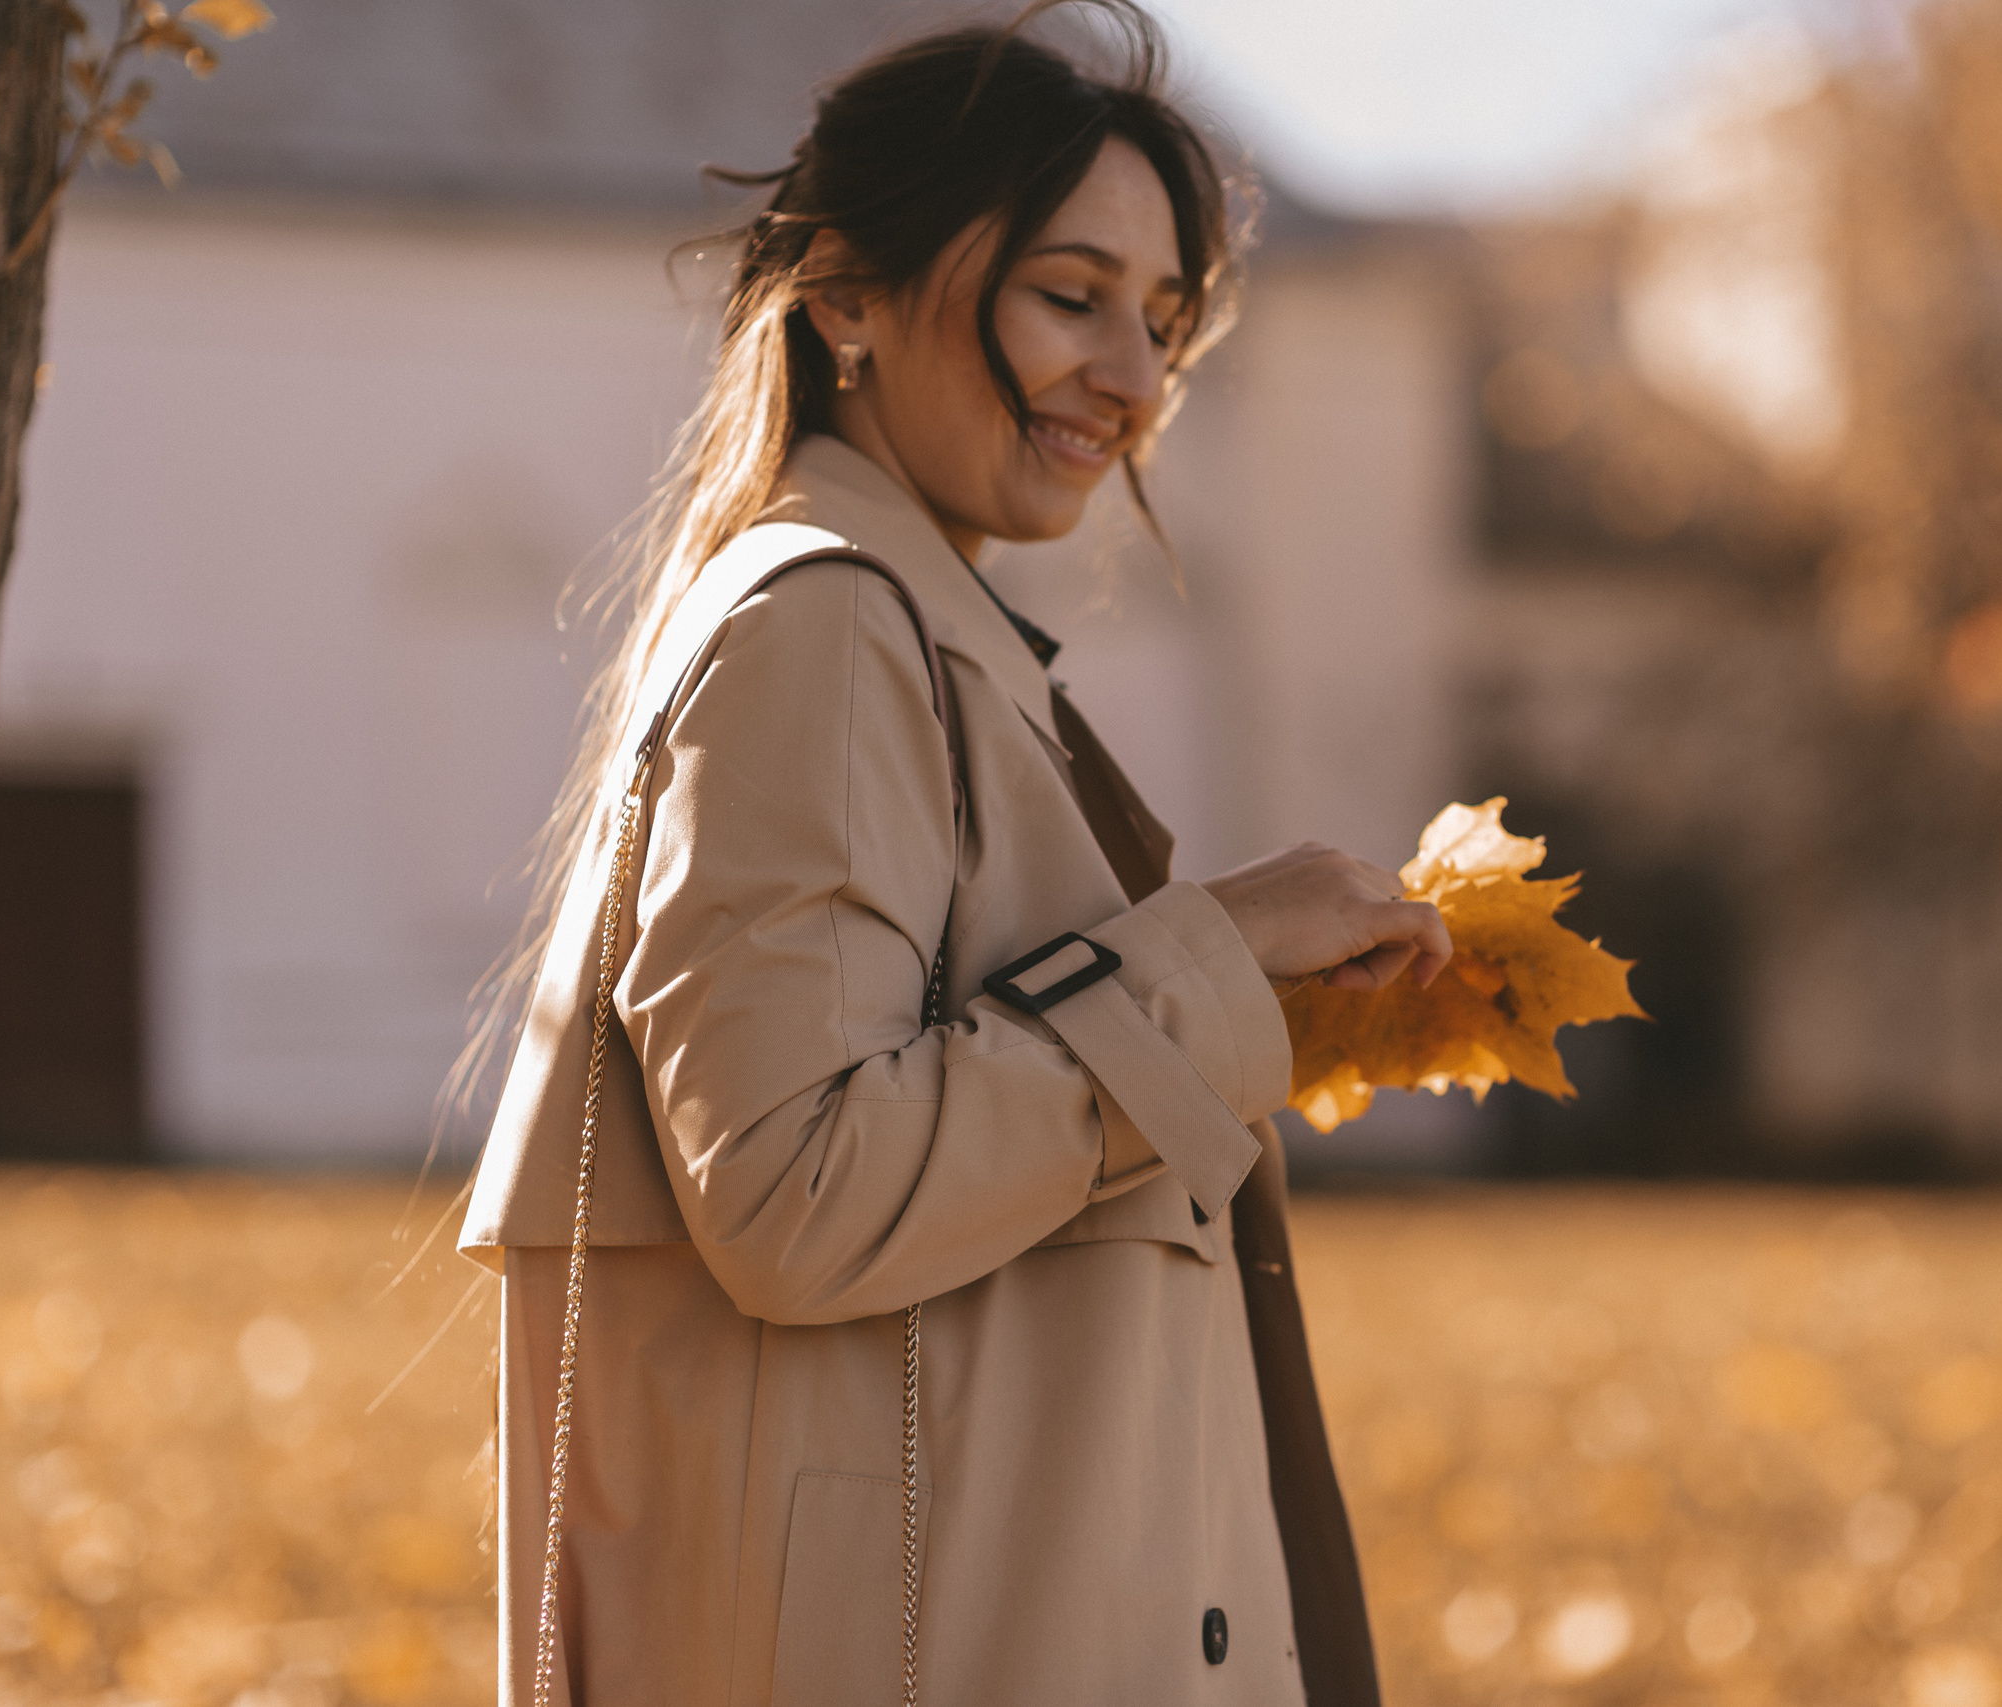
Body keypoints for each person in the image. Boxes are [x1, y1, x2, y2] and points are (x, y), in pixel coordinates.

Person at [458, 5, 1451, 1702]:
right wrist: (1213, 950)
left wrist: (1269, 1002)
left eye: (1163, 320)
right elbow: (794, 1188)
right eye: (1071, 298)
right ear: (846, 294)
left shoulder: (914, 635)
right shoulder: (827, 633)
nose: (1135, 382)